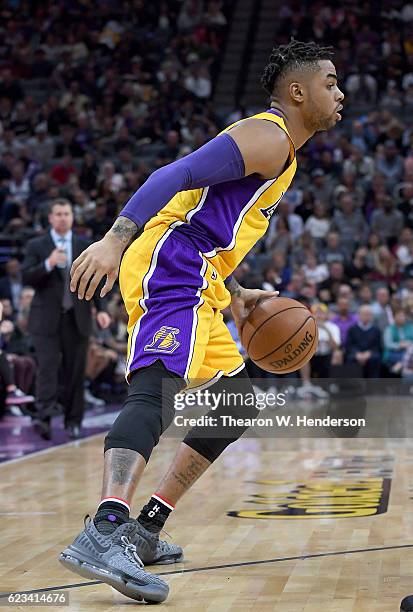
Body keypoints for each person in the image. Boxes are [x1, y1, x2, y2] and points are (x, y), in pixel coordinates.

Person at [60, 40, 344, 603]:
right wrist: (115, 239)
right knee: (156, 392)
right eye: (330, 83)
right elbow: (176, 174)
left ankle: (146, 529)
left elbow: (208, 216)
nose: (339, 93)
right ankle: (106, 530)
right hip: (173, 263)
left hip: (203, 273)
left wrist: (235, 294)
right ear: (297, 91)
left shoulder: (285, 152)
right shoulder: (268, 135)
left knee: (236, 401)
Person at [22, 199, 111, 441]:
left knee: (75, 372)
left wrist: (101, 309)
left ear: (73, 217)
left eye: (67, 214)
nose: (63, 218)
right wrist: (48, 264)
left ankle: (74, 421)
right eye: (58, 214)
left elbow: (98, 279)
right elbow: (26, 277)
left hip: (77, 317)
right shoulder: (36, 245)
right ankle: (44, 418)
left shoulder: (85, 245)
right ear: (50, 218)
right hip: (46, 318)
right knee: (47, 370)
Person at [345, 305, 382, 378]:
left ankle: (373, 387)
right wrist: (357, 354)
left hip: (371, 354)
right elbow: (349, 345)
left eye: (368, 314)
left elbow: (377, 346)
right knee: (350, 358)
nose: (366, 316)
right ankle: (353, 386)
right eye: (364, 314)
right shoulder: (352, 329)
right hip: (356, 354)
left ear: (372, 316)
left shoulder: (376, 330)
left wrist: (369, 353)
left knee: (376, 358)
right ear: (359, 315)